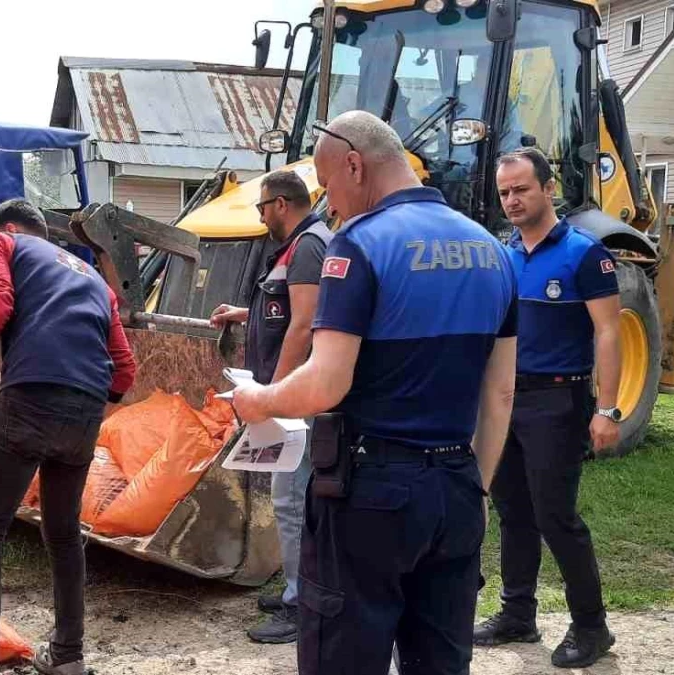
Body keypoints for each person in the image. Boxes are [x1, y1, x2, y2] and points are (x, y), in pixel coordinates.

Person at [232, 110, 518, 675]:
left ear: (356, 166)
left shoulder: (357, 247)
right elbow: (501, 391)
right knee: (439, 661)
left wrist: (258, 400)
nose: (328, 203)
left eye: (329, 184)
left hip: (371, 496)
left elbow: (325, 382)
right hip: (456, 487)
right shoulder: (493, 250)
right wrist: (476, 489)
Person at [0, 199, 137, 675]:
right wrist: (83, 410)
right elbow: (125, 369)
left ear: (11, 229)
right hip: (83, 413)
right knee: (63, 536)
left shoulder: (3, 241)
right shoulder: (95, 278)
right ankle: (67, 658)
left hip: (27, 399)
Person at [472, 147, 620, 668]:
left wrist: (609, 408)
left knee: (556, 516)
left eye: (521, 189)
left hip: (558, 400)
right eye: (504, 193)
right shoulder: (502, 254)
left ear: (548, 188)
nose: (512, 200)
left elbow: (608, 331)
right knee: (513, 513)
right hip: (506, 399)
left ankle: (591, 627)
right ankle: (518, 615)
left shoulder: (585, 254)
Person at [208, 170, 331, 644]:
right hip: (292, 395)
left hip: (296, 399)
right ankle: (300, 590)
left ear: (281, 204)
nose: (259, 217)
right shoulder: (296, 248)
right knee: (293, 499)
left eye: (261, 207)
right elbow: (285, 309)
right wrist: (245, 314)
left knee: (292, 500)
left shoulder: (308, 247)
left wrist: (274, 399)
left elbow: (303, 326)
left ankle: (303, 604)